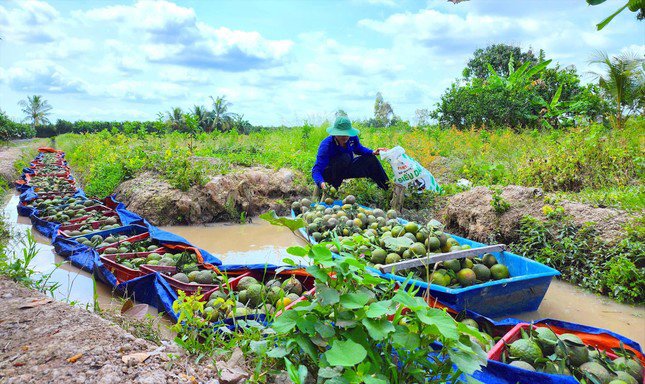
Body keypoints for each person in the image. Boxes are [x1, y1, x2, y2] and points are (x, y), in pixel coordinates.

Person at [311, 116, 390, 193]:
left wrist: (372, 152)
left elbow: (358, 148)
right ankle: (334, 189)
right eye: (341, 134)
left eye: (346, 134)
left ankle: (388, 189)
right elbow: (317, 169)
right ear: (335, 133)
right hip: (330, 173)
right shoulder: (326, 145)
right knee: (345, 157)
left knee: (371, 159)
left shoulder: (352, 138)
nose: (345, 137)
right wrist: (321, 183)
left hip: (345, 168)